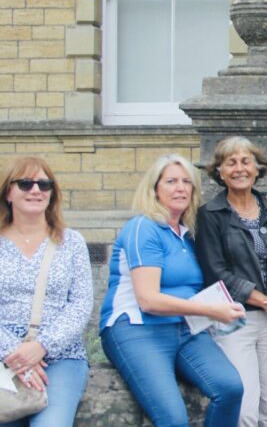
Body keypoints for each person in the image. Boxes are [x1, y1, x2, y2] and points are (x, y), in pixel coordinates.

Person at [99, 154, 245, 427]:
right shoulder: (143, 227)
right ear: (155, 188)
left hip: (184, 329)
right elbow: (148, 300)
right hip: (138, 329)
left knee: (230, 388)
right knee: (173, 418)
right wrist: (212, 310)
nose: (180, 188)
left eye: (187, 182)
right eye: (171, 181)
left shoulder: (187, 233)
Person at [194, 137, 267, 427]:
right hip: (236, 321)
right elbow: (216, 273)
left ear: (258, 168)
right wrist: (265, 300)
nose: (239, 168)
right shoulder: (210, 215)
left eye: (245, 161)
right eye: (230, 162)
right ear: (218, 171)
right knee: (245, 411)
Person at [0, 157, 91, 427]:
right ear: (8, 192)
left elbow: (81, 303)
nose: (36, 190)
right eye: (25, 183)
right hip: (4, 353)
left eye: (44, 184)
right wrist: (17, 354)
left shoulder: (71, 242)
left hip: (60, 355)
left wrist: (42, 346)